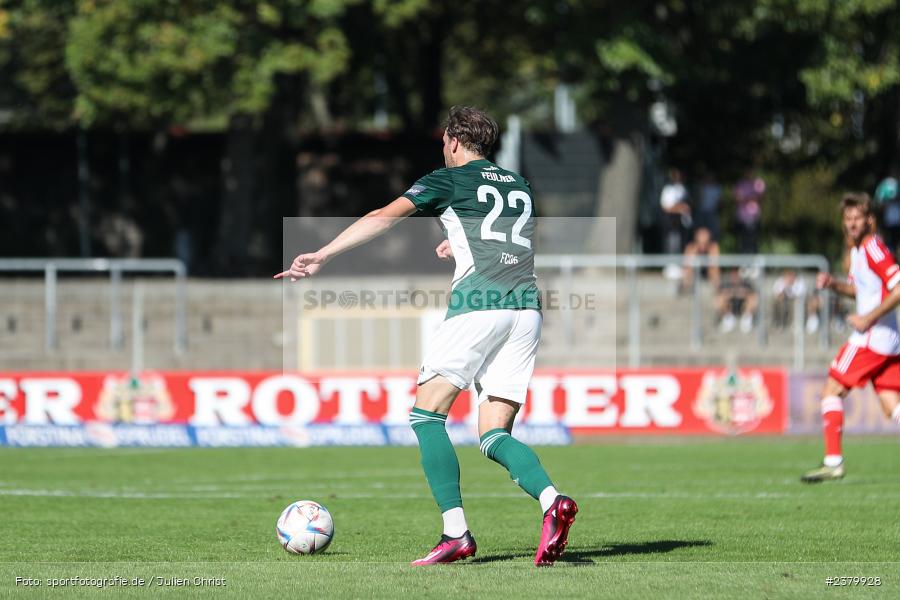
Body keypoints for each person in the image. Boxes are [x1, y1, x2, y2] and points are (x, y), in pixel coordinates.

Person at [276, 106, 577, 565]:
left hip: (480, 307)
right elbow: (505, 239)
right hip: (528, 311)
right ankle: (552, 500)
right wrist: (456, 243)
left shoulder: (448, 179)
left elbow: (383, 216)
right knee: (493, 434)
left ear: (453, 142)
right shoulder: (519, 185)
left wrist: (323, 254)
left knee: (426, 415)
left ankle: (455, 533)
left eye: (443, 143)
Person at [801, 193, 900, 482]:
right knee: (890, 403)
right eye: (848, 219)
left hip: (873, 338)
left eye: (857, 218)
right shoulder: (858, 251)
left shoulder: (873, 248)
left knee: (830, 392)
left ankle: (833, 462)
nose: (852, 224)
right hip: (888, 339)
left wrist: (868, 318)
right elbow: (862, 291)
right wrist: (834, 284)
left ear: (870, 220)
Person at [715, 267, 758, 333]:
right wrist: (731, 294)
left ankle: (746, 320)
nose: (735, 275)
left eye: (736, 273)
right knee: (720, 298)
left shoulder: (746, 282)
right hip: (729, 306)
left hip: (743, 306)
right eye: (733, 273)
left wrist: (741, 294)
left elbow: (752, 294)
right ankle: (728, 319)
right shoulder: (725, 283)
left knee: (752, 298)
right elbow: (719, 294)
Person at [660, 168, 692, 254]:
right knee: (671, 243)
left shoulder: (684, 189)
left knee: (684, 242)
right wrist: (679, 208)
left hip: (683, 221)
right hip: (671, 221)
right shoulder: (668, 189)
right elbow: (665, 207)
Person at [734, 172, 765, 253]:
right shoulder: (741, 183)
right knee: (743, 241)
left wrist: (746, 198)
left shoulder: (758, 183)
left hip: (754, 217)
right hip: (742, 217)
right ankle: (744, 261)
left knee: (754, 240)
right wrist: (749, 198)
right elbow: (737, 198)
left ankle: (754, 261)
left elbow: (760, 198)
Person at [682, 227, 720, 292]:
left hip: (707, 275)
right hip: (694, 276)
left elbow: (714, 270)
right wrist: (694, 253)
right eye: (700, 243)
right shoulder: (691, 248)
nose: (702, 246)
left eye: (705, 243)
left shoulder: (713, 248)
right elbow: (687, 269)